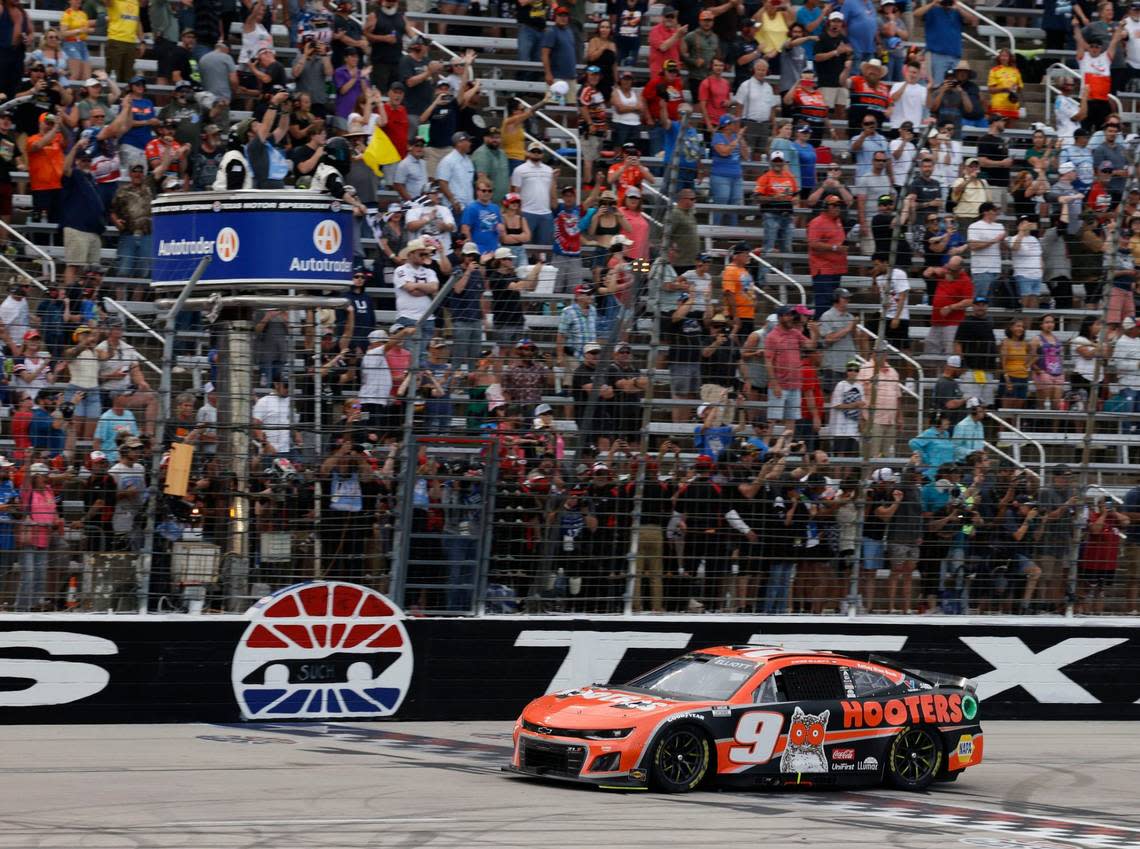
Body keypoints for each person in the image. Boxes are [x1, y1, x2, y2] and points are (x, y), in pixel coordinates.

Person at [764, 305, 815, 432]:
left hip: (795, 384)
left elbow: (810, 346)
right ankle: (765, 447)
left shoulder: (795, 333)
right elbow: (768, 361)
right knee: (773, 419)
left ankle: (785, 449)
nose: (791, 317)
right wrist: (774, 384)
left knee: (791, 420)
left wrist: (814, 331)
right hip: (779, 384)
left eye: (792, 315)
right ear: (780, 317)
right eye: (788, 315)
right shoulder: (772, 336)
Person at [915, 0, 978, 84]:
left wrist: (958, 7)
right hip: (937, 54)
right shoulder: (932, 9)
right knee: (938, 86)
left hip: (955, 55)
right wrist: (933, 3)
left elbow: (972, 20)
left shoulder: (956, 10)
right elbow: (916, 14)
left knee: (955, 87)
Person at [806, 195, 848, 318]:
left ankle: (828, 332)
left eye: (838, 205)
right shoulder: (817, 222)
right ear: (826, 207)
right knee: (824, 304)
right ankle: (820, 332)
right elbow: (813, 244)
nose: (837, 208)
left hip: (836, 268)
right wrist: (835, 248)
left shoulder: (838, 221)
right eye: (834, 205)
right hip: (823, 269)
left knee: (833, 303)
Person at [735, 58, 779, 156]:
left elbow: (772, 109)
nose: (761, 72)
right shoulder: (745, 85)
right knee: (746, 155)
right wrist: (737, 130)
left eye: (763, 70)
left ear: (766, 71)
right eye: (759, 70)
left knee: (760, 156)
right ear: (754, 70)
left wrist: (774, 127)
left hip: (764, 126)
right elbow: (739, 108)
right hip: (749, 124)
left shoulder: (769, 87)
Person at [966, 202, 1006, 299]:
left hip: (996, 269)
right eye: (994, 210)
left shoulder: (1000, 226)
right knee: (980, 300)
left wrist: (1003, 241)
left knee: (993, 302)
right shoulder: (974, 226)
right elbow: (973, 245)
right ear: (985, 212)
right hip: (982, 270)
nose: (997, 213)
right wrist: (993, 241)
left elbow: (1003, 250)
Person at [828, 359, 866, 457]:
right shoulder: (841, 385)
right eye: (850, 370)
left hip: (853, 428)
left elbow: (861, 406)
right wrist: (854, 404)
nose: (853, 372)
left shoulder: (860, 387)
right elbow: (837, 405)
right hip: (840, 428)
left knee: (851, 455)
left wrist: (861, 421)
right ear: (846, 371)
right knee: (840, 455)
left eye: (855, 370)